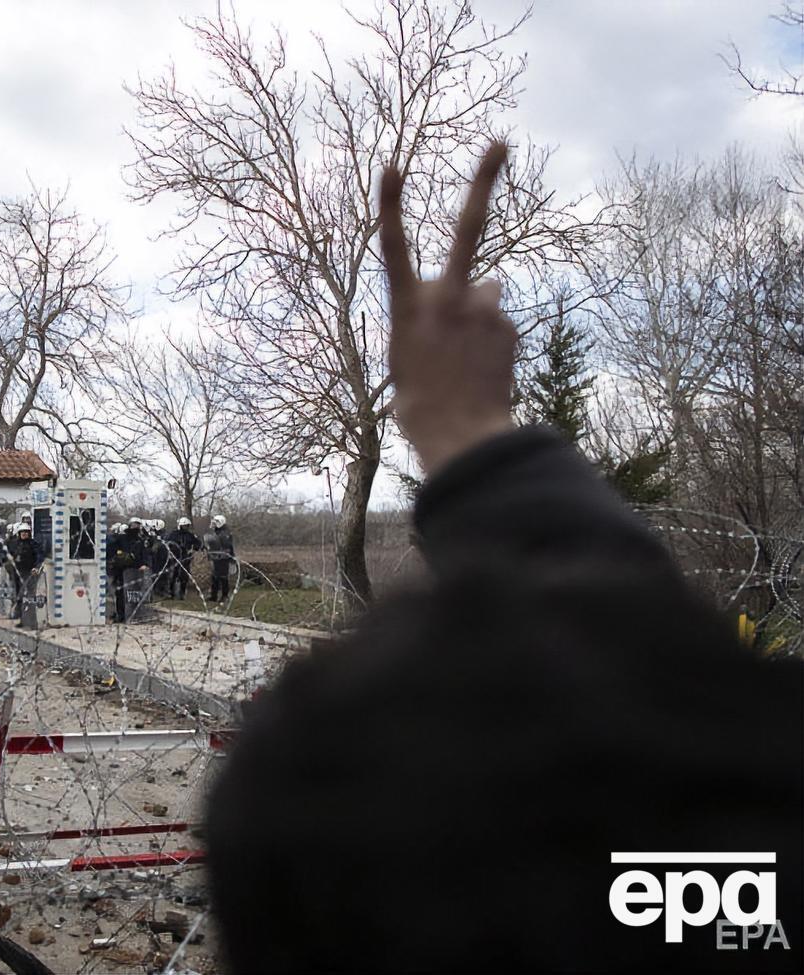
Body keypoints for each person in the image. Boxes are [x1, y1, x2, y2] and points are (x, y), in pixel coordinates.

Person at [205, 145, 804, 974]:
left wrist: (463, 436)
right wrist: (477, 439)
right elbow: (682, 729)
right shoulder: (748, 816)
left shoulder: (318, 809)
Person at [8, 522, 41, 624]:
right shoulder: (15, 544)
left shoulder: (33, 544)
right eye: (22, 532)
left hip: (29, 573)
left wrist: (36, 567)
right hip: (17, 573)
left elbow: (39, 556)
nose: (24, 534)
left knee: (28, 596)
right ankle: (21, 619)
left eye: (26, 532)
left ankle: (30, 620)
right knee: (19, 595)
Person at [166, 516, 201, 601]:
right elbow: (167, 543)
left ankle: (182, 593)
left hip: (186, 558)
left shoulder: (190, 535)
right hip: (175, 557)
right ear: (180, 525)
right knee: (173, 575)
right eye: (184, 525)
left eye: (187, 526)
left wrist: (193, 548)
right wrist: (171, 550)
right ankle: (171, 593)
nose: (186, 527)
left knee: (184, 576)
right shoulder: (173, 534)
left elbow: (198, 544)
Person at [202, 515, 234, 603]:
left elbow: (227, 546)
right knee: (214, 577)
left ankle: (225, 596)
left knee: (223, 577)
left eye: (215, 523)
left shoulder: (225, 533)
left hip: (223, 558)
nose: (213, 525)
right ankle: (213, 595)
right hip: (215, 557)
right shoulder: (216, 532)